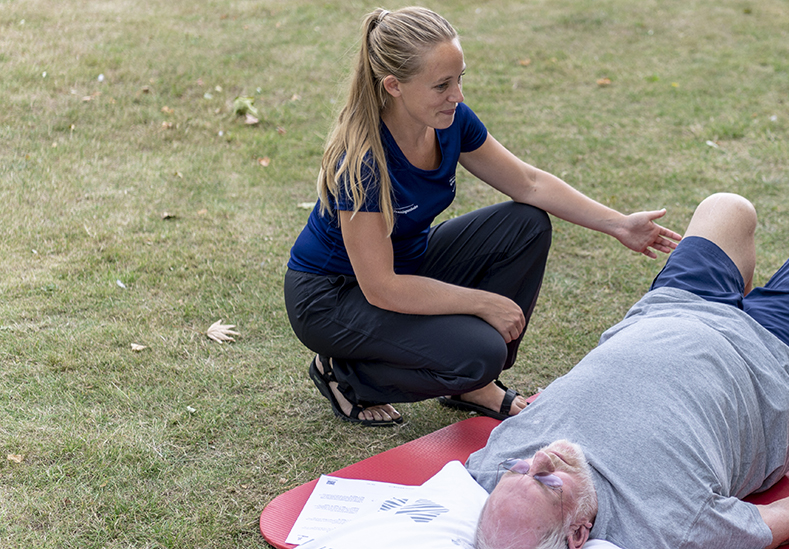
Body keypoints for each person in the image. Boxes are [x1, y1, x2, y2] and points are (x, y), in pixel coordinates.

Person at [464, 193, 789, 549]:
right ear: (580, 533)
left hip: (670, 311)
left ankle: (744, 301)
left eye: (522, 470)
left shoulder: (495, 468)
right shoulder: (667, 533)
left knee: (727, 209)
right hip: (769, 365)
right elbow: (782, 522)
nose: (540, 460)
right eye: (547, 484)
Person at [284, 7, 681, 426]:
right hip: (333, 298)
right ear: (394, 86)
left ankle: (472, 383)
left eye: (459, 79)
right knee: (481, 353)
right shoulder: (364, 161)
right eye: (442, 85)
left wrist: (619, 224)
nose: (457, 95)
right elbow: (382, 287)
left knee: (526, 224)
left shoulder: (450, 121)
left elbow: (528, 183)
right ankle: (345, 376)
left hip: (405, 266)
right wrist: (482, 303)